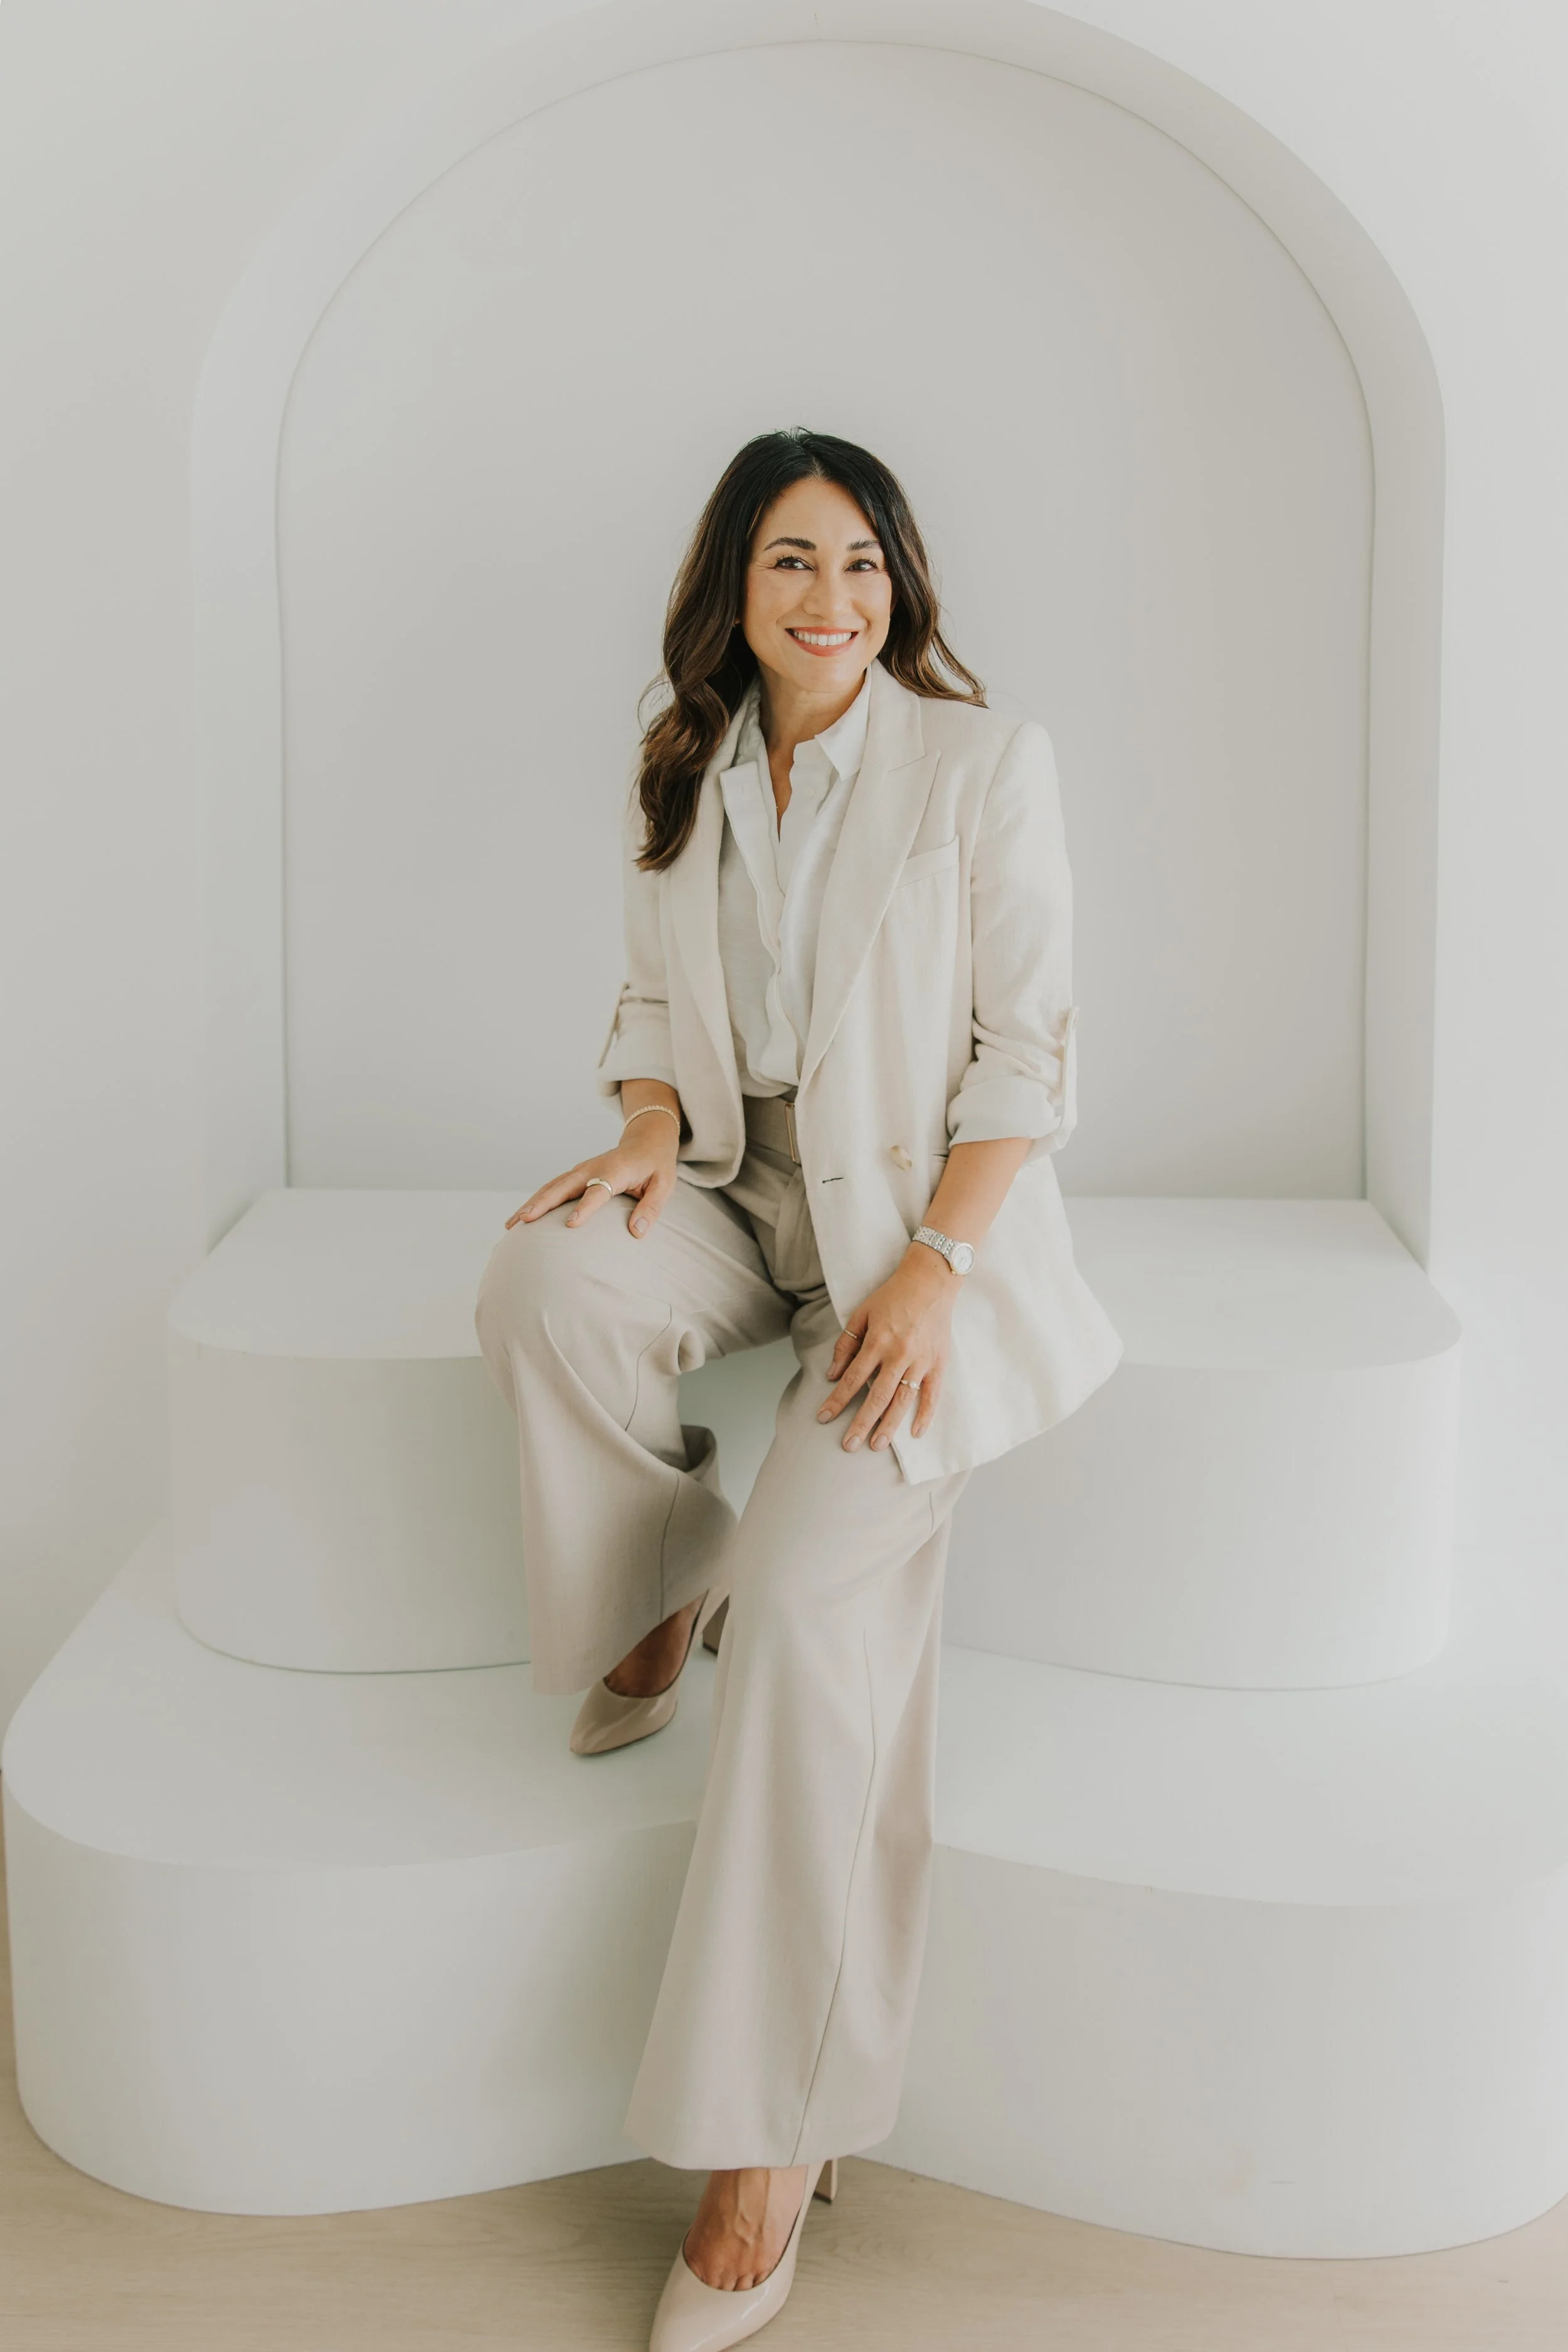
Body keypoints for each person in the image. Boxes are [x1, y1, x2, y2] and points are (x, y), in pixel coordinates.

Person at [475, 427, 1122, 2349]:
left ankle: (766, 2143)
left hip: (918, 1239)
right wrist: (646, 1130)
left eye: (856, 560)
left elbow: (1033, 1052)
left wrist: (937, 1266)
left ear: (898, 584)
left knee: (818, 1635)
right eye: (786, 561)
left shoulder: (979, 769)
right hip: (738, 1191)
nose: (825, 596)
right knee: (539, 1280)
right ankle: (655, 1592)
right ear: (731, 590)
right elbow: (650, 1005)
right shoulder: (681, 764)